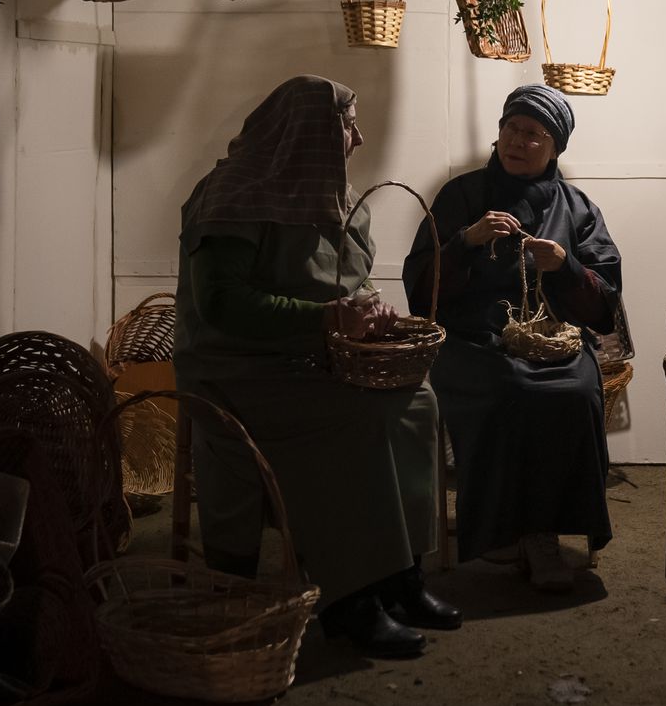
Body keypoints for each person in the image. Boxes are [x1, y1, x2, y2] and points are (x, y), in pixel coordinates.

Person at [173, 74, 458, 659]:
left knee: (416, 402)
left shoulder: (327, 195)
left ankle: (399, 575)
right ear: (305, 133)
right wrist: (328, 318)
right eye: (346, 124)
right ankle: (349, 599)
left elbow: (344, 283)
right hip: (238, 368)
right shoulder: (232, 195)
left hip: (312, 356)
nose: (357, 137)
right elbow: (222, 304)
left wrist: (368, 309)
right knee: (351, 419)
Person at [402, 84, 621, 592]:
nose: (518, 141)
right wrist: (466, 241)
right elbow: (422, 290)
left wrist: (566, 267)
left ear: (555, 148)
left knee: (575, 392)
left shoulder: (578, 207)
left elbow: (604, 301)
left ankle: (538, 532)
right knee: (510, 390)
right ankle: (508, 529)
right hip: (473, 337)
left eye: (533, 134)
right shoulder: (462, 196)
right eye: (511, 129)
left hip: (555, 338)